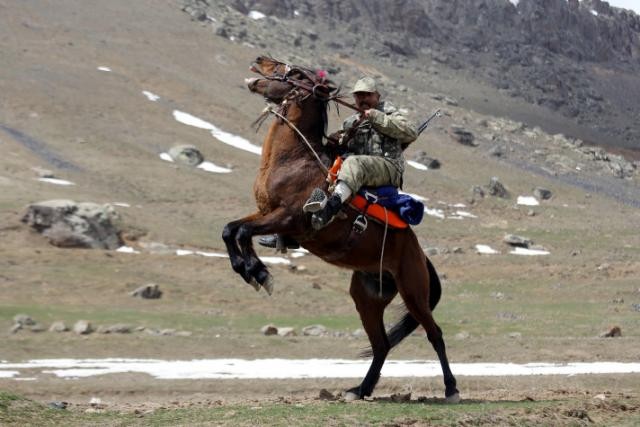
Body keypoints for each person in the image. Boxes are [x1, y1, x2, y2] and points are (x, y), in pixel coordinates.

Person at [258, 76, 417, 247]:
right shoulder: (352, 122)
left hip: (387, 168)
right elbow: (341, 145)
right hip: (357, 171)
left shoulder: (388, 112)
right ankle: (290, 233)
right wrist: (338, 139)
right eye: (359, 96)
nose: (362, 99)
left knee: (354, 163)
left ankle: (330, 209)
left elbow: (410, 132)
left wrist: (377, 117)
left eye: (367, 95)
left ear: (376, 96)